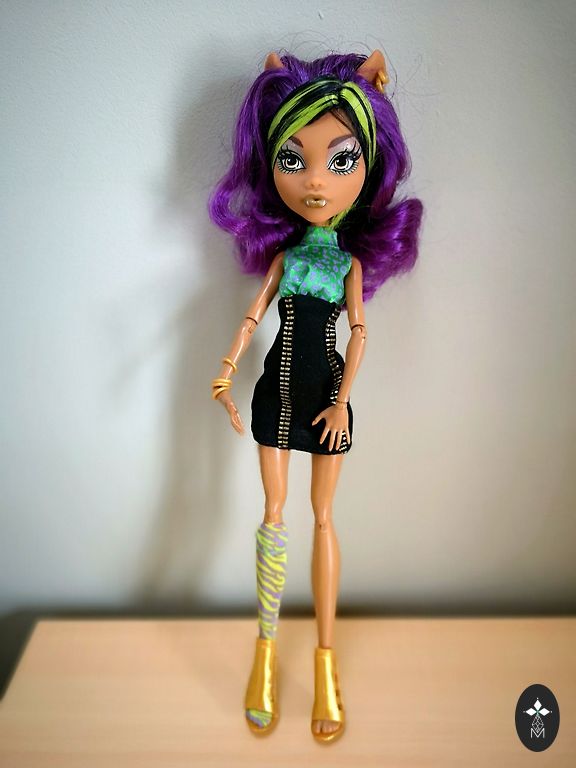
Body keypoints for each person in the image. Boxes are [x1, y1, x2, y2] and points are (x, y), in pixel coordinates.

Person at [209, 49, 423, 744]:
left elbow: (359, 334)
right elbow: (252, 319)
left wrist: (341, 401)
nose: (315, 180)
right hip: (275, 394)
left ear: (370, 168)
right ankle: (266, 651)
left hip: (327, 396)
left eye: (341, 159)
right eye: (292, 159)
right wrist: (227, 367)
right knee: (274, 518)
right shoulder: (284, 259)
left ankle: (325, 664)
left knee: (323, 519)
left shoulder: (348, 265)